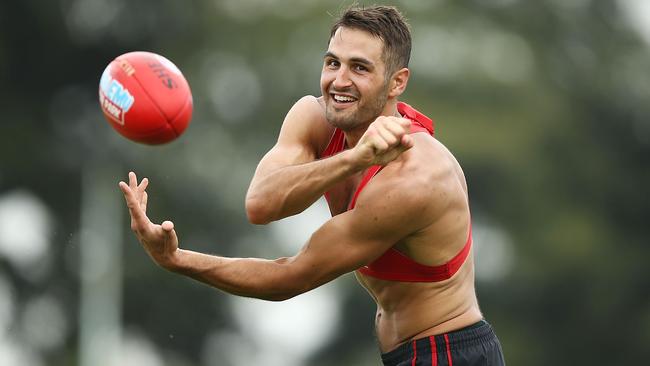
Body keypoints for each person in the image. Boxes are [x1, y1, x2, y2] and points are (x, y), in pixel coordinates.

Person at [119, 5, 505, 365]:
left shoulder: (415, 179)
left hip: (449, 354)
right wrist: (353, 158)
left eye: (360, 68)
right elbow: (261, 205)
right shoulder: (315, 118)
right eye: (332, 62)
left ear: (396, 82)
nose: (339, 80)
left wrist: (176, 259)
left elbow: (291, 276)